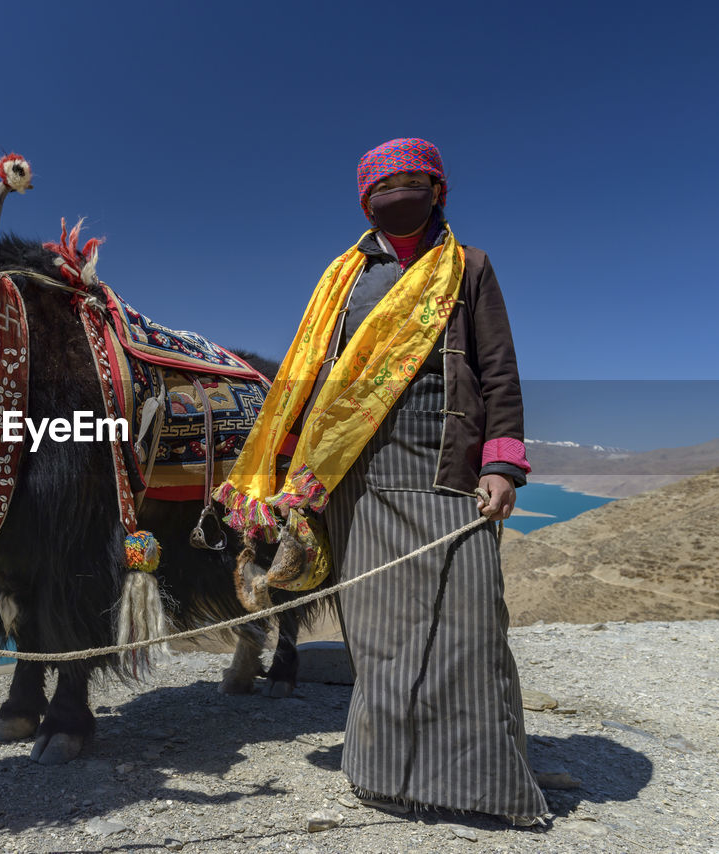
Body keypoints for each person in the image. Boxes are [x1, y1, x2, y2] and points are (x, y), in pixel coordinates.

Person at [214, 138, 547, 824]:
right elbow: (310, 378)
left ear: (438, 191)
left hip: (446, 473)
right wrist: (282, 474)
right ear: (364, 202)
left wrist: (501, 464)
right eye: (379, 188)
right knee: (377, 634)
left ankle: (483, 784)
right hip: (355, 481)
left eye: (409, 182)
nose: (394, 194)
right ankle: (384, 778)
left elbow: (499, 374)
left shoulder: (469, 269)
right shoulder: (342, 279)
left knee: (469, 626)